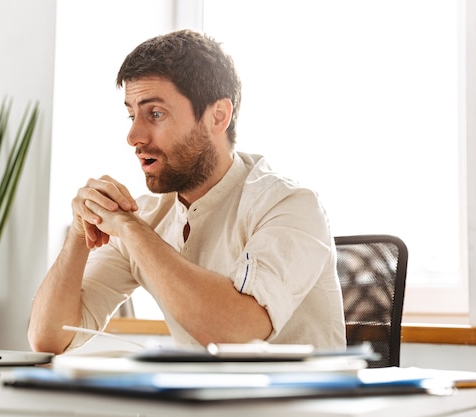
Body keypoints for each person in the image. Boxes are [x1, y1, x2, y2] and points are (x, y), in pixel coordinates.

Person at [28, 29, 346, 355]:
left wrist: (132, 231)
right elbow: (49, 339)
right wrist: (79, 236)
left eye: (155, 114)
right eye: (131, 114)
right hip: (198, 406)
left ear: (217, 116)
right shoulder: (147, 217)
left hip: (293, 405)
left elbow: (237, 333)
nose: (133, 135)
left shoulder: (290, 204)